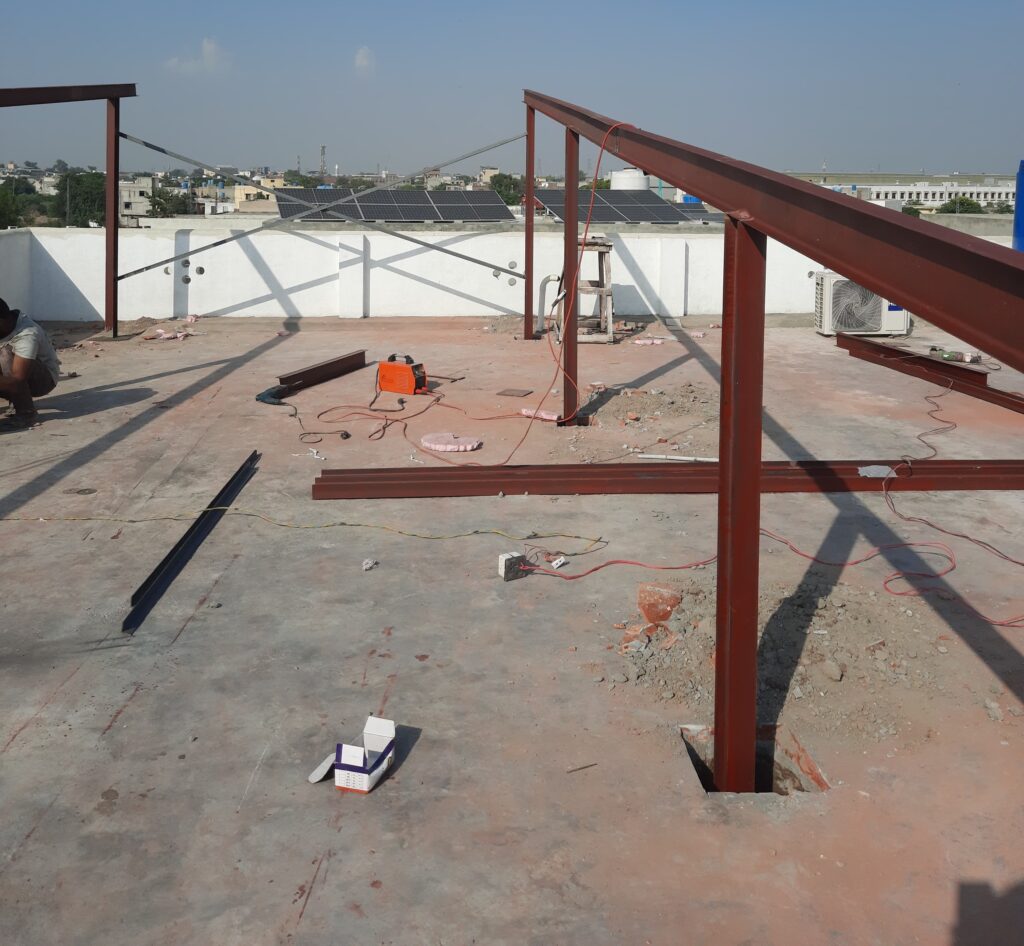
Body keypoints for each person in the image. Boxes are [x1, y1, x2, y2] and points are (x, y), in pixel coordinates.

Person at [0, 297, 61, 430]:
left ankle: (26, 413)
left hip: (43, 380)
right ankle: (15, 400)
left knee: (6, 354)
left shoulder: (27, 334)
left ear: (2, 321)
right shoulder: (5, 325)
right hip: (14, 377)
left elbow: (17, 380)